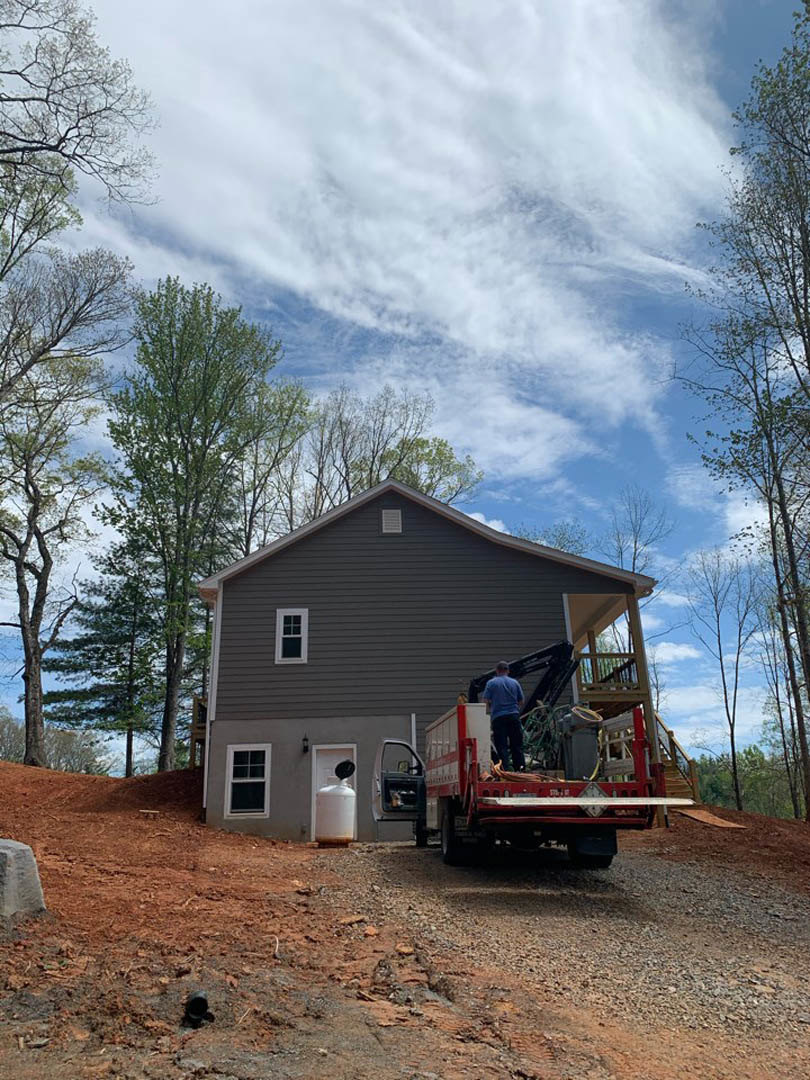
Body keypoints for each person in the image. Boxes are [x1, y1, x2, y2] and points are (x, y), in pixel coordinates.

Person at [482, 661, 525, 771]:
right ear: (508, 671)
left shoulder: (491, 683)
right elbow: (521, 701)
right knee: (517, 745)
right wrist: (515, 710)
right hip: (513, 716)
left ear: (497, 671)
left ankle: (504, 770)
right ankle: (520, 770)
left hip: (498, 718)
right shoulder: (515, 683)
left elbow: (485, 700)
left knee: (502, 746)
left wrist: (487, 714)